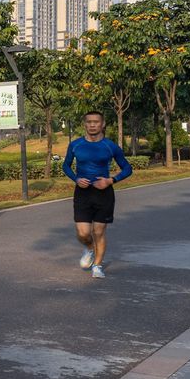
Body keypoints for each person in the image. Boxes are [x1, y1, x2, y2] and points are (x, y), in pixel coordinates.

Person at [62, 109, 133, 279]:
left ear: (103, 124)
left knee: (99, 232)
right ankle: (89, 248)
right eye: (89, 122)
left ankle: (98, 266)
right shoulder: (76, 145)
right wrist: (76, 179)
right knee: (83, 233)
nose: (92, 125)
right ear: (84, 124)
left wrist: (110, 180)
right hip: (82, 193)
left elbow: (127, 168)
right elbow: (66, 165)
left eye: (96, 122)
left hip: (104, 193)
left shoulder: (110, 146)